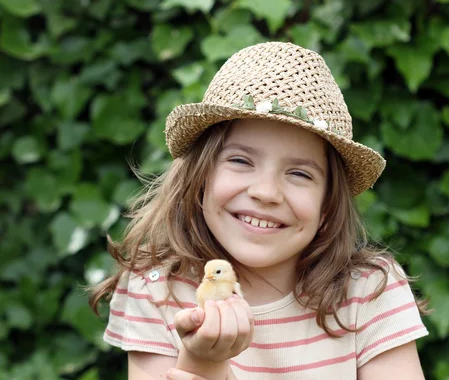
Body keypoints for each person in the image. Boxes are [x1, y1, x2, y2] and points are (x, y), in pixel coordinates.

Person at [89, 41, 429, 380]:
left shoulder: (368, 291)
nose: (266, 193)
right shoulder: (156, 289)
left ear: (328, 204)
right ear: (200, 178)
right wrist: (203, 360)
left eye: (299, 173)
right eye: (240, 160)